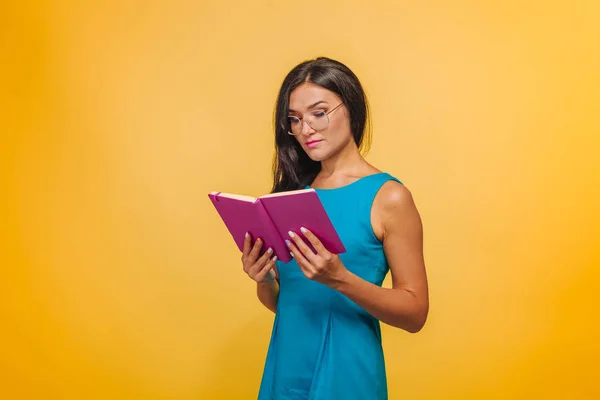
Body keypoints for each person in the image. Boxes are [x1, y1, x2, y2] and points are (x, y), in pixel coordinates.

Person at [240, 57, 429, 400]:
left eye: (319, 112)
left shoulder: (389, 197)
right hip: (287, 365)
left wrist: (339, 278)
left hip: (346, 369)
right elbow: (288, 302)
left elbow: (415, 314)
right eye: (294, 119)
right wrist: (264, 279)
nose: (306, 129)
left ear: (351, 107)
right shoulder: (292, 195)